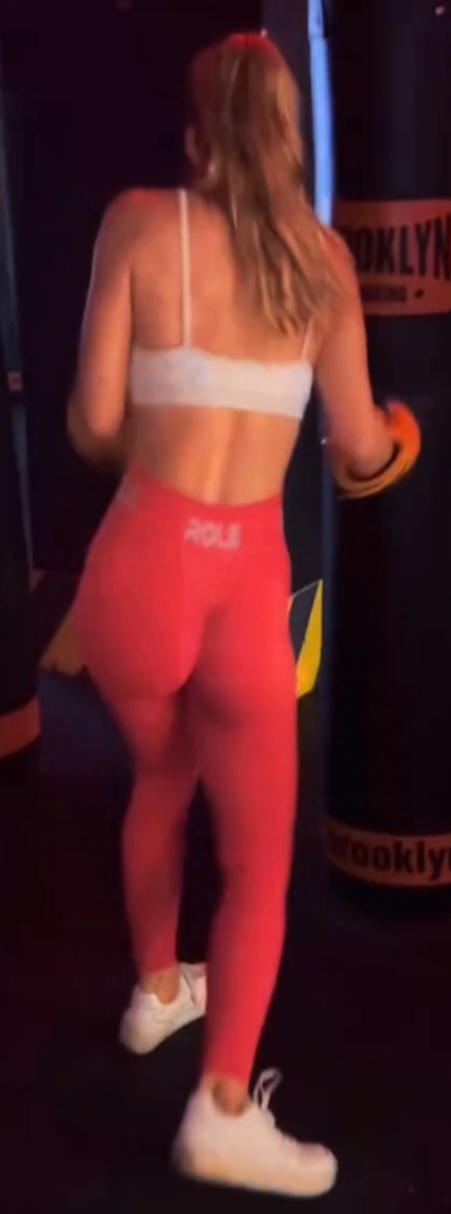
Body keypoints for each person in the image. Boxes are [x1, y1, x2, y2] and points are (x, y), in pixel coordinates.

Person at [68, 31, 418, 1199]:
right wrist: (401, 436)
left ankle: (158, 989)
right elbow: (360, 451)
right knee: (259, 862)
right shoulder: (323, 263)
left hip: (134, 575)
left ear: (195, 133)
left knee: (160, 774)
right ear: (289, 135)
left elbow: (90, 425)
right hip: (239, 589)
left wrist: (168, 434)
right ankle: (220, 1110)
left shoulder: (135, 222)